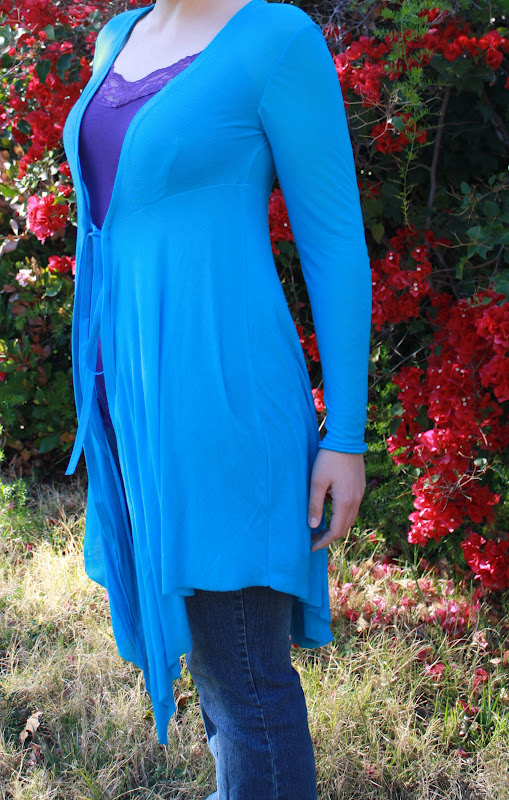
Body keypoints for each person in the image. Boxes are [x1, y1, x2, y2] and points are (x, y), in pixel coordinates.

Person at [62, 0, 372, 797]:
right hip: (134, 397)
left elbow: (334, 242)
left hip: (224, 400)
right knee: (213, 662)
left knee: (242, 674)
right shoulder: (118, 36)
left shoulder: (275, 40)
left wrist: (345, 435)